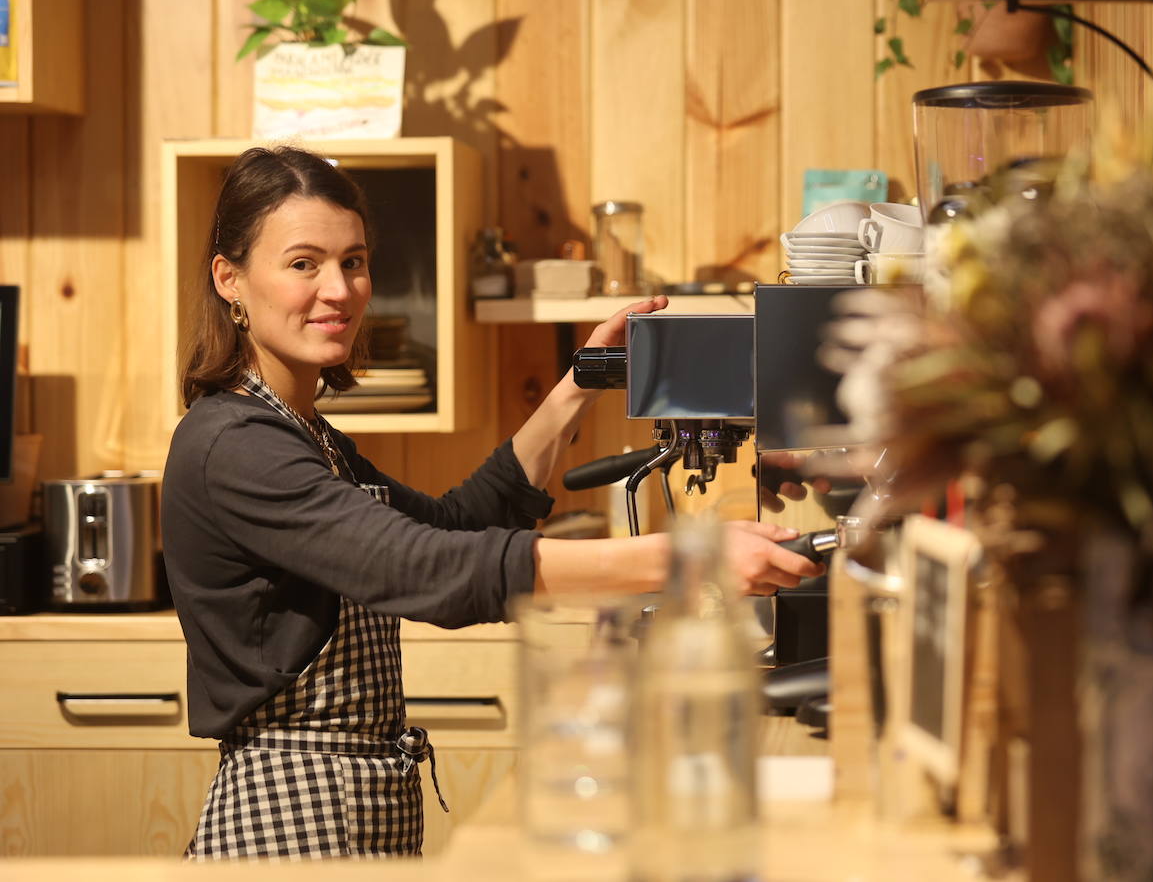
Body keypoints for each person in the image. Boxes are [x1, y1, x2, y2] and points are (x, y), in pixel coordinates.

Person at [161, 145, 822, 861]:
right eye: (303, 264)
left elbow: (453, 525)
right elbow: (419, 568)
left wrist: (578, 384)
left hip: (355, 800)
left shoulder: (306, 435)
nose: (341, 289)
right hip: (287, 818)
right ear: (229, 279)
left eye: (353, 261)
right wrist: (688, 559)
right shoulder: (231, 443)